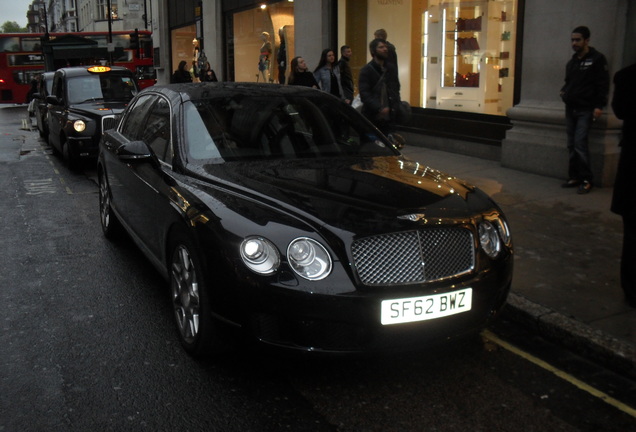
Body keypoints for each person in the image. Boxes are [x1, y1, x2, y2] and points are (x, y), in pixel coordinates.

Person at [559, 26, 609, 194]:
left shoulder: (597, 60)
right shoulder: (572, 62)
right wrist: (564, 92)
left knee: (580, 143)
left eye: (578, 40)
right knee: (572, 144)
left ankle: (587, 179)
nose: (574, 43)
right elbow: (568, 82)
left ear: (586, 40)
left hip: (586, 109)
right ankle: (575, 176)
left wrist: (598, 106)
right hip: (571, 108)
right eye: (572, 40)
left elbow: (602, 84)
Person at [610, 62, 636, 307]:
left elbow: (619, 110)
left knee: (632, 234)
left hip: (633, 166)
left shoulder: (627, 76)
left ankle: (632, 288)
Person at [358, 38, 401, 139]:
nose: (385, 49)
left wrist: (395, 105)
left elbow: (396, 88)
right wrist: (379, 108)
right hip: (372, 118)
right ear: (373, 51)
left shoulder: (391, 68)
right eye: (381, 47)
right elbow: (365, 94)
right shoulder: (366, 70)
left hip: (389, 119)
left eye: (385, 47)